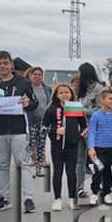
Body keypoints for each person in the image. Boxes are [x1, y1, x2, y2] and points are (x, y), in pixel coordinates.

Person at [0, 51, 38, 214]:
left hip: (18, 129)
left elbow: (35, 103)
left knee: (22, 164)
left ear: (11, 64)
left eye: (5, 63)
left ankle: (28, 199)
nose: (2, 66)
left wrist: (27, 103)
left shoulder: (23, 83)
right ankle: (4, 198)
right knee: (2, 165)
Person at [42, 83, 87, 211]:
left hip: (72, 146)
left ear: (71, 94)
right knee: (58, 172)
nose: (64, 95)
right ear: (56, 95)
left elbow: (84, 126)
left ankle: (72, 198)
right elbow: (44, 128)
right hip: (57, 146)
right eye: (61, 93)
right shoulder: (51, 109)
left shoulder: (76, 108)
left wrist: (77, 136)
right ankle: (57, 199)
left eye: (66, 92)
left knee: (71, 172)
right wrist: (55, 130)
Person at [87, 89, 112, 207]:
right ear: (102, 100)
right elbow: (92, 132)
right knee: (98, 170)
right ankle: (94, 192)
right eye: (110, 98)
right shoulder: (96, 115)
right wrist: (91, 148)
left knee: (109, 171)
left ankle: (107, 192)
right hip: (98, 149)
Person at [75, 63, 105, 196]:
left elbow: (102, 108)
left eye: (80, 72)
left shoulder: (99, 89)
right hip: (80, 127)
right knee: (79, 160)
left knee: (95, 158)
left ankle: (99, 184)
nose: (78, 75)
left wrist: (82, 110)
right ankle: (79, 187)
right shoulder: (82, 89)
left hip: (93, 127)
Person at [26, 67, 53, 178]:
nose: (37, 76)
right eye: (35, 74)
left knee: (41, 145)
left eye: (39, 74)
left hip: (44, 121)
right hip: (31, 121)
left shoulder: (47, 89)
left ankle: (39, 170)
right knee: (31, 145)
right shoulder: (27, 88)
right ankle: (27, 171)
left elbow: (49, 103)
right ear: (30, 76)